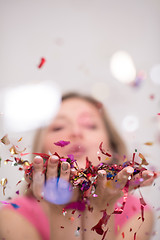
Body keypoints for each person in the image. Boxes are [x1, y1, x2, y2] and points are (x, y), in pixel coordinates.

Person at [0, 92, 157, 240]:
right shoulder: (12, 215)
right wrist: (63, 210)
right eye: (58, 127)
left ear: (112, 147)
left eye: (90, 125)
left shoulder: (138, 212)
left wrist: (100, 209)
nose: (75, 132)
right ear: (40, 150)